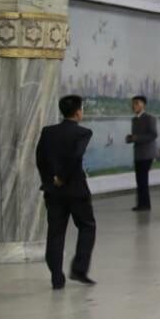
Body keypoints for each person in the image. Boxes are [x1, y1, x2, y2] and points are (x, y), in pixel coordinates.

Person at [35, 94, 97, 290]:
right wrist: (62, 176)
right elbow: (75, 156)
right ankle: (79, 268)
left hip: (54, 192)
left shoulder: (48, 132)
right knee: (87, 226)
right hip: (76, 190)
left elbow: (40, 159)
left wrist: (50, 180)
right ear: (78, 112)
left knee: (55, 233)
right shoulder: (83, 132)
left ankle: (56, 276)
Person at [129, 94, 158, 210]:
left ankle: (145, 205)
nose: (134, 105)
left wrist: (137, 138)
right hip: (138, 153)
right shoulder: (134, 119)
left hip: (147, 154)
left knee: (143, 179)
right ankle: (142, 204)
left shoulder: (149, 118)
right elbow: (138, 135)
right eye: (133, 103)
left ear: (143, 105)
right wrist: (131, 138)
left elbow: (153, 134)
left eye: (137, 103)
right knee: (139, 180)